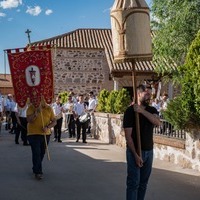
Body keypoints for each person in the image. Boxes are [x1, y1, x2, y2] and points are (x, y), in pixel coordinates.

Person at [123, 84, 160, 200]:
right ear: (139, 94)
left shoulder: (152, 110)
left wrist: (141, 111)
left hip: (149, 152)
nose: (149, 96)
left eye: (150, 93)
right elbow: (128, 136)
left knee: (143, 184)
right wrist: (136, 154)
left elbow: (157, 122)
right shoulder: (129, 112)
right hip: (134, 152)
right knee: (133, 183)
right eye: (146, 93)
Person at [27, 99, 56, 180]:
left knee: (42, 153)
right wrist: (36, 113)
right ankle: (38, 172)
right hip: (33, 134)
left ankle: (36, 167)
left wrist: (48, 127)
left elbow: (54, 121)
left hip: (45, 134)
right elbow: (29, 120)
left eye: (42, 99)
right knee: (36, 152)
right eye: (39, 99)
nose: (40, 101)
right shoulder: (31, 108)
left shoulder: (49, 109)